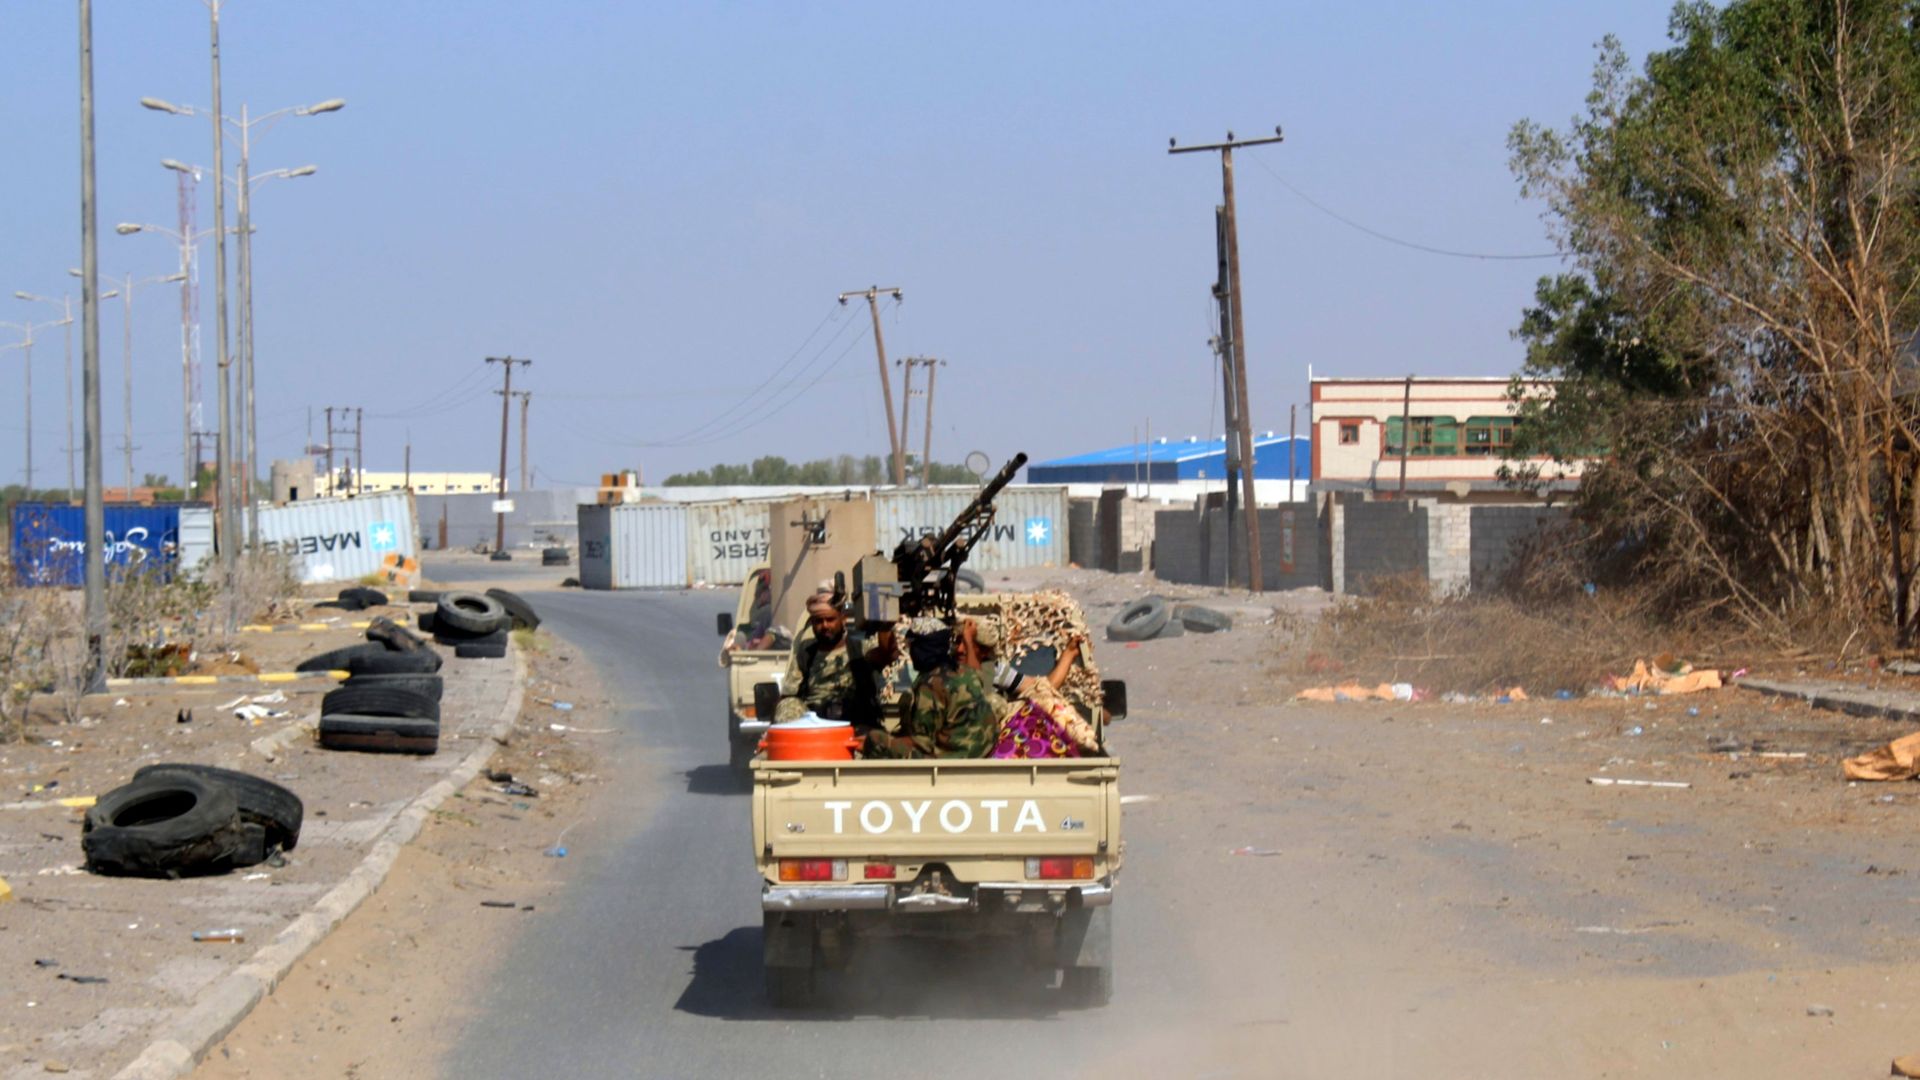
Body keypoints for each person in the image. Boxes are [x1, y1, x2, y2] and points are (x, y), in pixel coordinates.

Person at [866, 616, 1001, 759]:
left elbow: (923, 743)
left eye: (913, 646)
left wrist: (886, 742)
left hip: (952, 759)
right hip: (980, 753)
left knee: (875, 738)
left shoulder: (930, 684)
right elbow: (976, 672)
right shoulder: (965, 672)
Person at [772, 591, 895, 733]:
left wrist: (885, 625)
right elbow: (788, 695)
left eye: (830, 620)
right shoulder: (807, 652)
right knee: (787, 705)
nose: (824, 626)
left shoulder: (860, 647)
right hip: (813, 727)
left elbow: (886, 654)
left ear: (843, 619)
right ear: (812, 623)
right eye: (819, 621)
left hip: (854, 725)